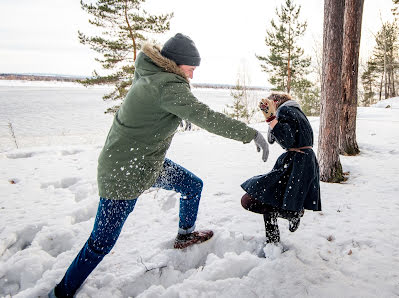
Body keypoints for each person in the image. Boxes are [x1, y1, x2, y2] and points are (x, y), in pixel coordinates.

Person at [48, 33, 269, 298]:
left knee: (192, 185)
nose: (192, 76)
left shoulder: (149, 72)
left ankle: (184, 235)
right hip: (124, 172)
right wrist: (249, 133)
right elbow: (207, 117)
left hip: (147, 163)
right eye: (190, 70)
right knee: (100, 243)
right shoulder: (168, 86)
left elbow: (153, 106)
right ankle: (61, 292)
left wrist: (176, 115)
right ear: (176, 64)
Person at [240, 93, 321, 244]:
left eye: (271, 104)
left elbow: (287, 140)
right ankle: (273, 242)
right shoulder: (296, 112)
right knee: (268, 198)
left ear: (276, 102)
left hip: (297, 163)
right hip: (301, 162)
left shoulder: (285, 111)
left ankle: (292, 215)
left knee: (254, 200)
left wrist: (271, 119)